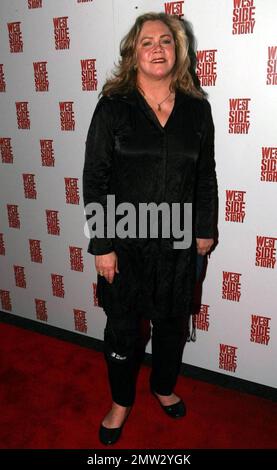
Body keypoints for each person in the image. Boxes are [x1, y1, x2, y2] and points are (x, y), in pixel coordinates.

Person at [82, 12, 217, 445]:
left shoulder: (197, 109)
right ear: (133, 53)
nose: (157, 48)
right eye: (147, 42)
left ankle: (162, 385)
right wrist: (101, 243)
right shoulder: (113, 106)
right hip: (123, 240)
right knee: (122, 328)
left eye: (165, 41)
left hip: (179, 240)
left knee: (172, 326)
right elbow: (95, 178)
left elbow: (205, 175)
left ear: (178, 52)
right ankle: (121, 401)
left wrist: (205, 228)